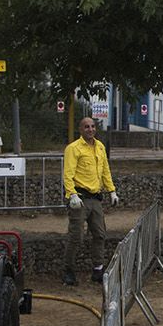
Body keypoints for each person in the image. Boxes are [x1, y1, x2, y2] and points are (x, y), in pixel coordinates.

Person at [61, 117, 117, 285]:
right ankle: (68, 271)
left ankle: (98, 270)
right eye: (86, 127)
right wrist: (71, 194)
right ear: (81, 129)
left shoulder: (100, 147)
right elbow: (68, 173)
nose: (90, 129)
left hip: (96, 198)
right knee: (76, 236)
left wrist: (112, 191)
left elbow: (105, 170)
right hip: (79, 198)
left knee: (100, 234)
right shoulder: (73, 148)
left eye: (92, 126)